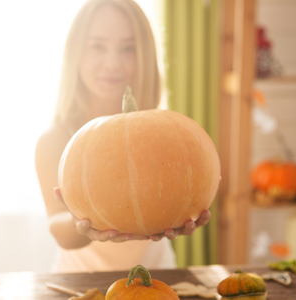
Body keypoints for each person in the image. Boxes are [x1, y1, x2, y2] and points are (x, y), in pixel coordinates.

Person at [35, 0, 211, 273]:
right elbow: (57, 226)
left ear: (145, 55)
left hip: (157, 277)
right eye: (97, 46)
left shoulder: (166, 135)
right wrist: (82, 224)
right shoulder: (55, 139)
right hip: (80, 284)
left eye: (128, 48)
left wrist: (187, 210)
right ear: (76, 53)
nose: (113, 63)